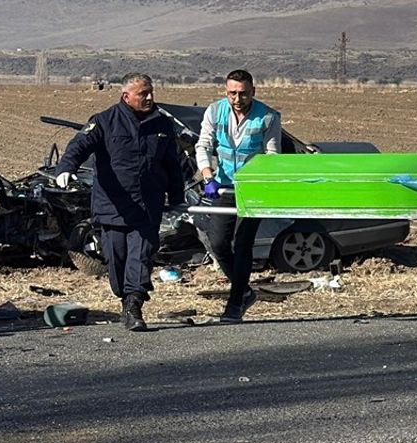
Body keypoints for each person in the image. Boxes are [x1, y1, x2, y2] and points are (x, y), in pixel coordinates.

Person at [53, 73, 185, 332]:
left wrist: (178, 198)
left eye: (150, 92)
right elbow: (79, 145)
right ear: (126, 97)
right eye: (142, 94)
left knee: (141, 256)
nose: (149, 98)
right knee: (117, 259)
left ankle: (134, 305)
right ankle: (125, 298)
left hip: (147, 206)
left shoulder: (162, 125)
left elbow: (173, 164)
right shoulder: (104, 121)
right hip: (113, 205)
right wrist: (65, 169)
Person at [194, 69, 282, 322]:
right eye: (232, 93)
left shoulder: (268, 117)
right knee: (218, 242)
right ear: (226, 91)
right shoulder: (214, 111)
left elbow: (272, 155)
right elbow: (204, 145)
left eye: (243, 93)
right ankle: (243, 290)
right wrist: (207, 175)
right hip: (222, 185)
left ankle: (234, 305)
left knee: (243, 243)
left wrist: (260, 182)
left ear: (253, 91)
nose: (237, 98)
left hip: (251, 188)